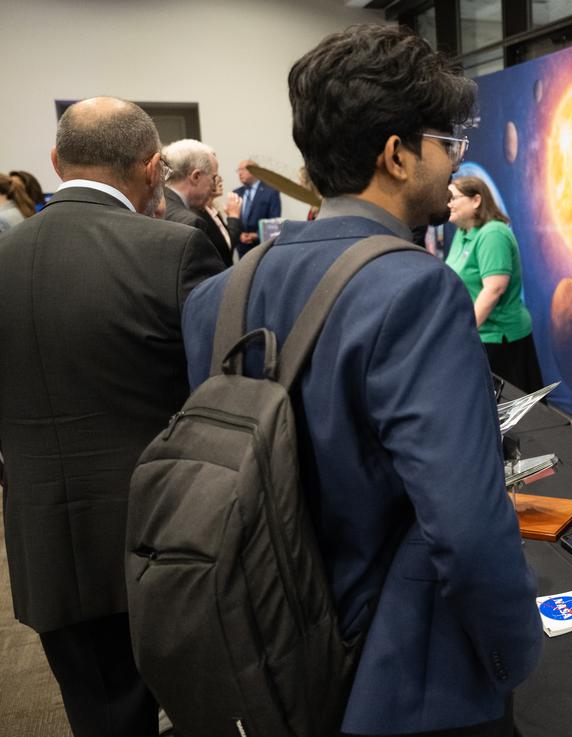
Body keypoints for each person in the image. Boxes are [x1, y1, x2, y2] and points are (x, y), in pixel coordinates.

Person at [180, 24, 541, 737]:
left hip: (262, 656)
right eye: (446, 143)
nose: (454, 162)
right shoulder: (417, 290)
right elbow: (467, 530)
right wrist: (512, 654)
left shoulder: (213, 298)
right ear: (396, 155)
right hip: (401, 676)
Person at [0, 96, 223, 737]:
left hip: (44, 542)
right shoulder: (173, 250)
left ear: (55, 161)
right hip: (163, 539)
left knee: (99, 714)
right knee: (206, 708)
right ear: (154, 169)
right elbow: (221, 396)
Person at [445, 175, 544, 392]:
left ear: (476, 200)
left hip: (500, 339)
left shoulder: (493, 233)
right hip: (478, 336)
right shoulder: (463, 231)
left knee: (512, 408)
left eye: (454, 198)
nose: (448, 204)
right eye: (447, 198)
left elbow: (494, 289)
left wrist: (463, 331)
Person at [163, 138, 231, 266]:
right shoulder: (191, 222)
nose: (213, 186)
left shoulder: (157, 205)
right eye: (213, 178)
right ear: (196, 176)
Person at [234, 158, 282, 255]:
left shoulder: (271, 192)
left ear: (255, 171)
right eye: (238, 170)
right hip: (242, 247)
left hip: (262, 246)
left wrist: (257, 235)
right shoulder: (236, 193)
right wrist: (239, 234)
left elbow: (274, 220)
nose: (240, 173)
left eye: (243, 169)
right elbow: (233, 218)